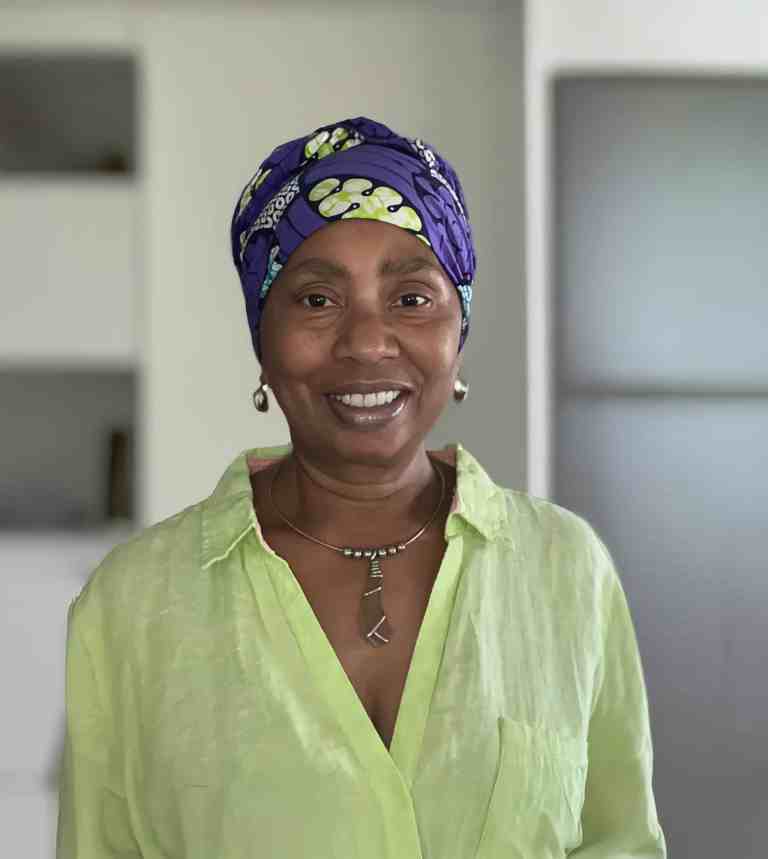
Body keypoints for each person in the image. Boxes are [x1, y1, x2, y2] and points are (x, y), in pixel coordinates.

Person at [56, 116, 667, 858]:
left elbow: (622, 842)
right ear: (262, 337)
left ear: (459, 330)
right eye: (318, 300)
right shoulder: (133, 604)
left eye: (411, 298)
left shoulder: (567, 569)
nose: (368, 342)